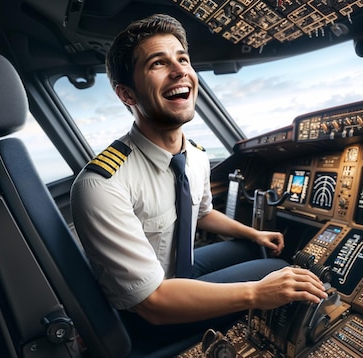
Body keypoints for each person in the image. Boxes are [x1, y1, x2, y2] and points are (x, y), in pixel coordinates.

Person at [70, 13, 327, 345]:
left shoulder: (195, 155)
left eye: (183, 59)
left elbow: (202, 213)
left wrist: (255, 232)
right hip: (147, 313)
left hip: (180, 270)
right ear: (127, 94)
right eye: (157, 64)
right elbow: (152, 304)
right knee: (274, 269)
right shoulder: (102, 185)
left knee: (254, 249)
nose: (180, 71)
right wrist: (257, 293)